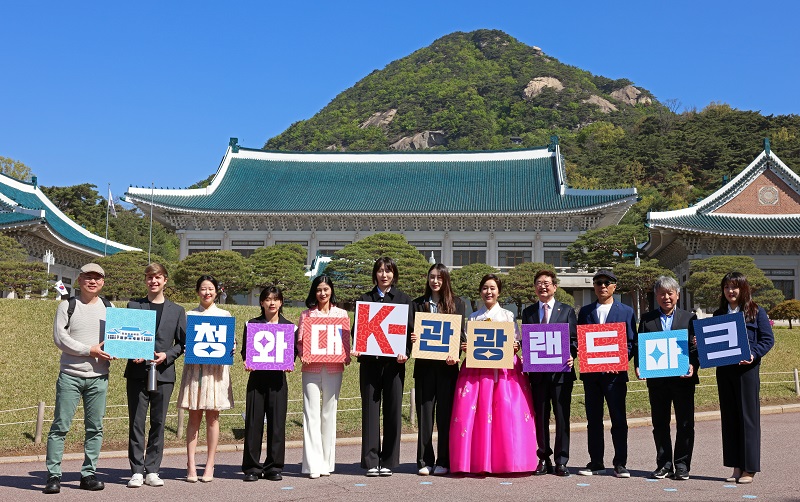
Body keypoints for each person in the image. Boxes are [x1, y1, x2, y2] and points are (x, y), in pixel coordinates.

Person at [449, 273, 537, 474]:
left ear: (499, 292)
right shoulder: (473, 317)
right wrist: (466, 347)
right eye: (485, 288)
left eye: (492, 288)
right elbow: (469, 343)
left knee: (505, 413)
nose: (488, 292)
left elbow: (515, 341)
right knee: (476, 414)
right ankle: (477, 460)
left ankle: (505, 460)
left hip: (504, 372)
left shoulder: (507, 315)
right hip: (477, 372)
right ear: (480, 292)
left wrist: (515, 345)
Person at [44, 263, 113, 494]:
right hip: (70, 376)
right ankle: (53, 475)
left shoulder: (109, 307)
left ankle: (89, 474)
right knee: (60, 426)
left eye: (97, 278)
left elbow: (118, 337)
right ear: (79, 280)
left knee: (95, 427)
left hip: (99, 376)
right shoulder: (68, 306)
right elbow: (60, 338)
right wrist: (89, 350)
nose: (92, 281)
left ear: (103, 282)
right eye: (88, 277)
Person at [351, 256, 414, 477]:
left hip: (394, 365)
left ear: (394, 274)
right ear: (375, 274)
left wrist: (406, 352)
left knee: (393, 410)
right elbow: (356, 331)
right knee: (370, 411)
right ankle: (371, 461)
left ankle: (388, 460)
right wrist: (357, 346)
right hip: (370, 364)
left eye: (388, 271)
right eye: (380, 270)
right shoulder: (365, 299)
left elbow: (410, 334)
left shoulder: (405, 300)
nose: (384, 274)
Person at [125, 263, 186, 488]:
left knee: (158, 423)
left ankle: (153, 469)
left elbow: (183, 343)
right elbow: (124, 336)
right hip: (137, 372)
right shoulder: (134, 305)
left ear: (165, 280)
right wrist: (133, 353)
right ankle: (136, 471)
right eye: (150, 277)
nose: (154, 281)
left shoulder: (177, 310)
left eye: (158, 277)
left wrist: (167, 355)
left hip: (164, 373)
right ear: (146, 280)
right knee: (137, 422)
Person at [713, 272, 774, 485]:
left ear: (743, 289)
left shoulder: (756, 312)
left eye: (735, 287)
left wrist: (753, 353)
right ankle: (736, 466)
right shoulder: (718, 314)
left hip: (747, 372)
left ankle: (749, 468)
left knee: (748, 419)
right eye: (727, 287)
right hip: (725, 372)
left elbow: (767, 340)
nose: (731, 291)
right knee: (730, 418)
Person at [576, 269, 637, 478]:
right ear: (594, 286)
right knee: (593, 419)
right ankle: (596, 461)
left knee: (618, 418)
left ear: (614, 286)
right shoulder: (585, 312)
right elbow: (580, 340)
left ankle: (620, 462)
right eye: (598, 283)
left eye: (606, 282)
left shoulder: (626, 311)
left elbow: (631, 342)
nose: (602, 286)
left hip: (615, 375)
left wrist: (620, 361)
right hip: (591, 375)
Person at [637, 276, 698, 481]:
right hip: (658, 381)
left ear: (677, 295)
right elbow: (639, 347)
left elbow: (695, 349)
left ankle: (682, 465)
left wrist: (693, 365)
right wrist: (638, 365)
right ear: (656, 296)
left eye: (670, 293)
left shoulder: (689, 318)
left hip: (683, 380)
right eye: (662, 293)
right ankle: (663, 464)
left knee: (685, 424)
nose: (666, 297)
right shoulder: (646, 319)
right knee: (660, 423)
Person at [176, 275, 234, 483]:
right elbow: (183, 343)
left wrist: (231, 347)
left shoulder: (225, 314)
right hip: (194, 372)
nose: (207, 292)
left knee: (213, 417)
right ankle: (191, 464)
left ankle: (210, 464)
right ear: (197, 291)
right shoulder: (189, 315)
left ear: (217, 291)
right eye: (203, 288)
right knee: (194, 417)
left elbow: (230, 344)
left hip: (216, 373)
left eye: (210, 288)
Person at [521, 269, 577, 477]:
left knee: (562, 417)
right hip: (538, 375)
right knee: (541, 417)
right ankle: (543, 458)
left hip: (561, 373)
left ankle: (562, 460)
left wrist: (573, 355)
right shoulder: (528, 313)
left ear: (555, 286)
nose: (542, 286)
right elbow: (526, 340)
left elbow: (574, 340)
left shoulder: (567, 310)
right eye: (538, 283)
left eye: (546, 282)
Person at [410, 264, 466, 476]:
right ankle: (424, 460)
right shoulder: (417, 304)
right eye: (432, 277)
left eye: (439, 277)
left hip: (447, 368)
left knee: (445, 416)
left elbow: (460, 335)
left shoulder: (457, 304)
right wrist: (412, 337)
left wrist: (456, 354)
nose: (435, 281)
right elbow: (409, 333)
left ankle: (444, 459)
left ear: (445, 280)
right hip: (424, 367)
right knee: (425, 415)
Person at [241, 286, 298, 482]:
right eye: (267, 299)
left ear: (281, 302)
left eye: (275, 299)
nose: (271, 303)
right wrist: (246, 362)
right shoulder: (252, 325)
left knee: (277, 424)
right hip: (256, 380)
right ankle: (252, 468)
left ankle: (274, 467)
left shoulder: (289, 327)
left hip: (278, 381)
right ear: (262, 303)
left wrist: (291, 364)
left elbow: (293, 355)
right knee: (253, 423)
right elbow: (244, 352)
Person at [297, 275, 351, 479]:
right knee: (310, 414)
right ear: (314, 291)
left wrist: (346, 355)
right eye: (319, 289)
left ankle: (326, 463)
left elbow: (345, 339)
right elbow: (300, 342)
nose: (323, 293)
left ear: (331, 291)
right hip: (311, 368)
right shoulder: (306, 315)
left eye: (326, 289)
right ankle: (312, 464)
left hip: (334, 368)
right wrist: (303, 355)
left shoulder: (342, 314)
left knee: (329, 414)